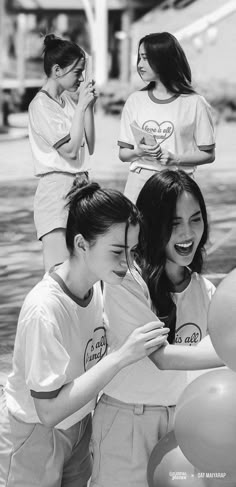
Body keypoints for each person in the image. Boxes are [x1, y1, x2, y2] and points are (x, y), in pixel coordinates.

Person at [0, 177, 168, 487]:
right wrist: (121, 357)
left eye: (132, 251)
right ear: (81, 244)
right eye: (118, 251)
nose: (128, 263)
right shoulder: (44, 309)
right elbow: (48, 411)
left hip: (79, 428)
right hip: (35, 436)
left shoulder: (99, 289)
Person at [90, 170, 224, 487]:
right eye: (174, 223)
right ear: (151, 224)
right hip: (127, 424)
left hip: (185, 425)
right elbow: (161, 357)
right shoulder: (126, 281)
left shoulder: (204, 291)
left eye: (196, 219)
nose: (188, 233)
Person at [118, 32, 216, 202]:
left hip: (178, 184)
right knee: (137, 229)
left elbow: (208, 154)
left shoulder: (195, 103)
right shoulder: (135, 101)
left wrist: (175, 158)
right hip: (139, 183)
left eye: (146, 58)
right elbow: (123, 153)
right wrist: (139, 151)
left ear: (164, 59)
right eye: (139, 58)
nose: (140, 64)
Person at [28, 33, 97, 271]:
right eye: (77, 72)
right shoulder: (41, 105)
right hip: (56, 190)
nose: (81, 78)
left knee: (83, 270)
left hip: (80, 186)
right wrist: (79, 109)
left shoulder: (68, 101)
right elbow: (69, 150)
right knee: (60, 271)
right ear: (57, 70)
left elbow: (89, 143)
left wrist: (86, 106)